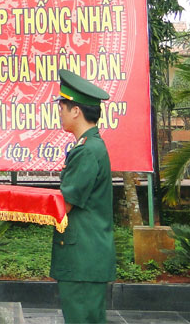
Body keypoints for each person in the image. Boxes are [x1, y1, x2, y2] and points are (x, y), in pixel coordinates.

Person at [50, 69, 116, 323]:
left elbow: (64, 204)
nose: (60, 112)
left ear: (76, 111)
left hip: (83, 258)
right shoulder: (88, 146)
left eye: (63, 107)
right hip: (86, 257)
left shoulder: (87, 151)